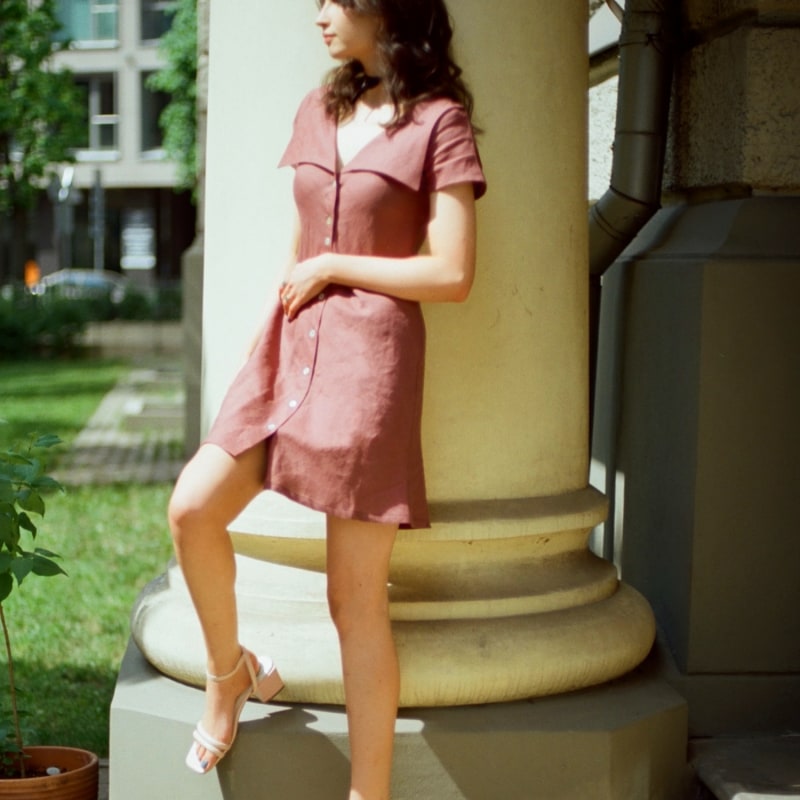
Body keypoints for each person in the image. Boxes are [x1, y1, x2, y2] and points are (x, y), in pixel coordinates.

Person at [167, 0, 486, 796]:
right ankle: (227, 673)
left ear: (389, 8)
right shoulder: (320, 105)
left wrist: (336, 266)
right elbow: (303, 236)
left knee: (354, 600)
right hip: (289, 347)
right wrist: (263, 333)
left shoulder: (440, 122)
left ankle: (366, 792)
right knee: (191, 510)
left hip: (369, 365)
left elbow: (451, 273)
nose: (317, 15)